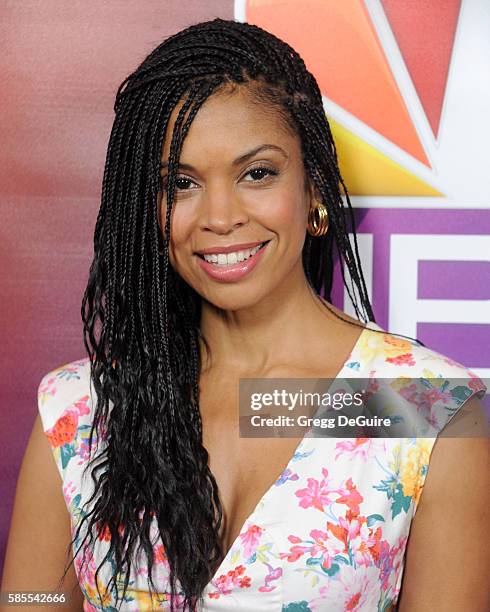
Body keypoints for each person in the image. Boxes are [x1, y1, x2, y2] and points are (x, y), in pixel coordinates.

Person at [2, 17, 489, 612]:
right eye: (180, 183)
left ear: (314, 188)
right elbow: (30, 598)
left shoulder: (415, 405)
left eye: (257, 173)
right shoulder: (82, 407)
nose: (221, 216)